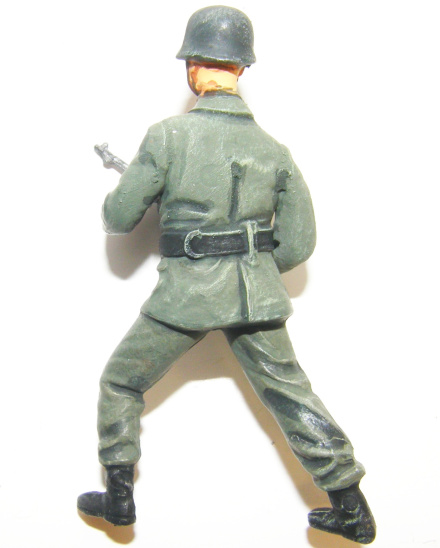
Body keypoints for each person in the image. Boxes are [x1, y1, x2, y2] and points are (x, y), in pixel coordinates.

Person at [78, 6, 376, 544]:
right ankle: (351, 505)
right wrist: (251, 266)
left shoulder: (168, 136)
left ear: (193, 67)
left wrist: (136, 199)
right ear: (242, 69)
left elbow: (119, 218)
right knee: (291, 394)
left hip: (185, 294)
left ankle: (119, 497)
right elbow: (299, 244)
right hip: (255, 294)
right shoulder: (274, 150)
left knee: (121, 381)